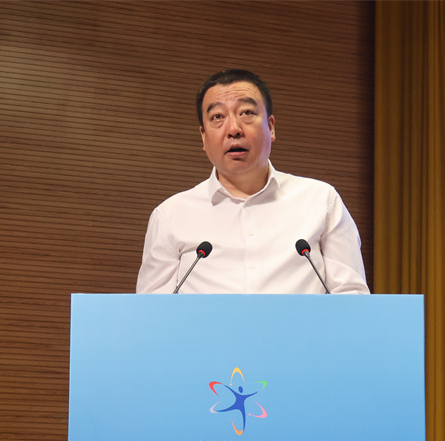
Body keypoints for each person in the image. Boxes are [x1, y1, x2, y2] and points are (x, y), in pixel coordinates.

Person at [136, 69, 369, 294]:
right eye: (217, 117)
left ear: (271, 127)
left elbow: (351, 296)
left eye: (246, 112)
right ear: (203, 137)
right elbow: (151, 310)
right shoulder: (171, 216)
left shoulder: (321, 201)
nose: (233, 129)